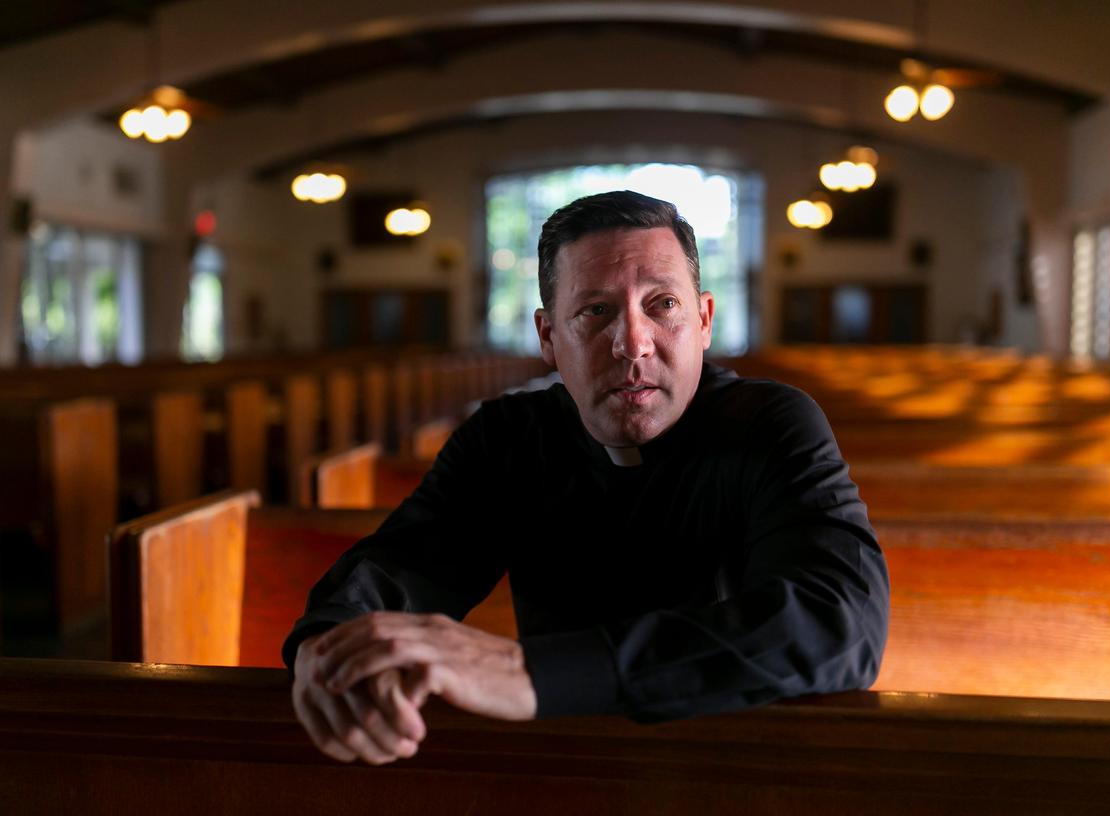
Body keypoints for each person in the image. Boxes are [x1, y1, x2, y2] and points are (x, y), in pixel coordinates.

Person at [284, 190, 889, 766]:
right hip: (557, 766)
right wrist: (329, 642)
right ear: (548, 336)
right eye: (595, 311)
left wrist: (534, 674)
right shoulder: (508, 439)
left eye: (662, 304)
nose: (632, 342)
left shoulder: (770, 424)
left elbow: (840, 623)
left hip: (739, 765)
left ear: (703, 319)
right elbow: (404, 566)